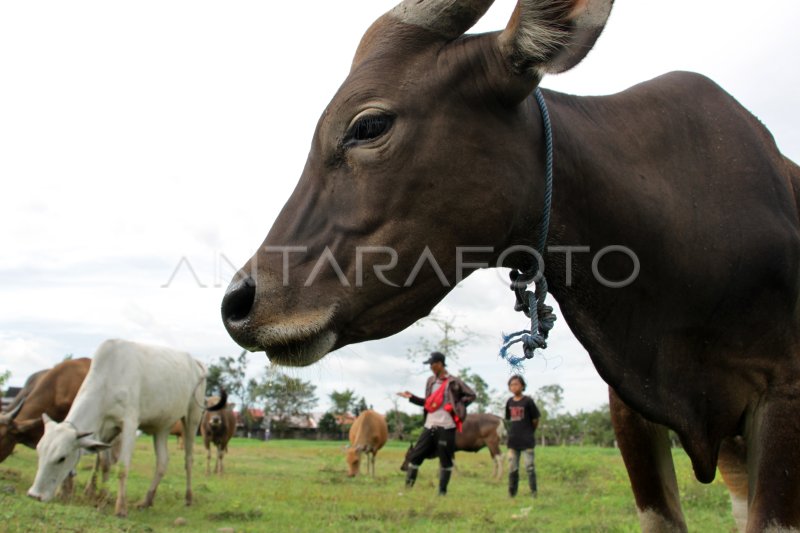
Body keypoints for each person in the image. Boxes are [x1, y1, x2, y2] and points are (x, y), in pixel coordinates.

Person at [397, 351, 476, 495]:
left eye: (432, 364)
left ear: (439, 364)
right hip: (430, 425)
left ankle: (442, 493)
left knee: (445, 460)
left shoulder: (454, 382)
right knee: (415, 456)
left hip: (446, 426)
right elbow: (428, 403)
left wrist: (456, 405)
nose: (430, 367)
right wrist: (411, 397)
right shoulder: (430, 381)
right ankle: (407, 490)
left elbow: (471, 395)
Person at [505, 375, 540, 498]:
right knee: (512, 468)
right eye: (511, 384)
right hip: (513, 441)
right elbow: (508, 420)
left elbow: (535, 419)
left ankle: (533, 493)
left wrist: (529, 431)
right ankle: (512, 494)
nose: (514, 387)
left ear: (523, 386)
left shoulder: (528, 401)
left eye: (516, 384)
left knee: (529, 468)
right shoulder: (509, 402)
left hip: (527, 440)